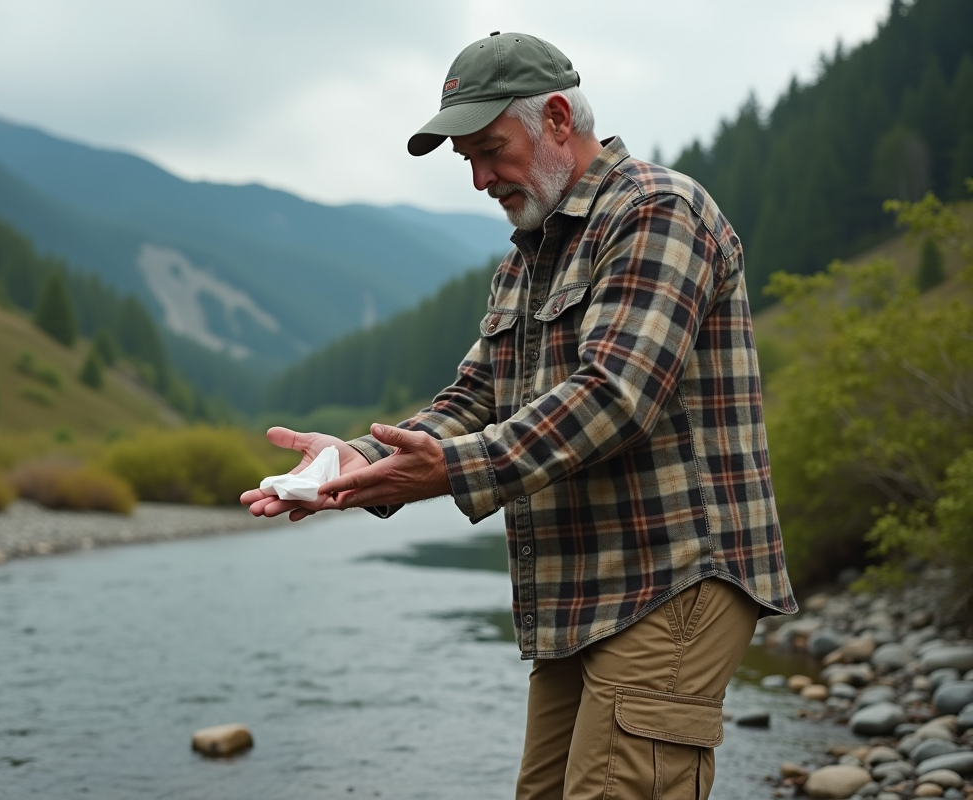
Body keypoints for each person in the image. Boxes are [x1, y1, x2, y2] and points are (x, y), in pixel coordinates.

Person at [241, 31, 796, 800]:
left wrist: (454, 472)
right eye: (465, 158)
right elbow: (475, 397)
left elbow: (615, 396)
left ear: (559, 118)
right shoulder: (525, 258)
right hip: (584, 588)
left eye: (489, 149)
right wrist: (362, 458)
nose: (478, 178)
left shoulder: (658, 212)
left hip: (676, 574)